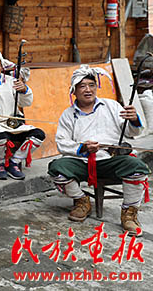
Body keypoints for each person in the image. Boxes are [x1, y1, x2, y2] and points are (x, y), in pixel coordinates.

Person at [47, 65, 150, 236]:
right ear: (74, 91)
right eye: (82, 86)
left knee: (138, 168)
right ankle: (81, 201)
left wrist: (134, 120)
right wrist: (82, 148)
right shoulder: (68, 114)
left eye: (91, 85)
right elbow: (61, 143)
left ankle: (129, 214)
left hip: (111, 159)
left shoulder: (112, 106)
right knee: (57, 168)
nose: (88, 90)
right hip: (82, 162)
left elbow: (133, 133)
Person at [0, 46, 45, 180]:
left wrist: (24, 90)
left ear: (2, 66)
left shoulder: (11, 81)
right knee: (0, 137)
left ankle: (14, 162)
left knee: (38, 135)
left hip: (14, 123)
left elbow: (26, 103)